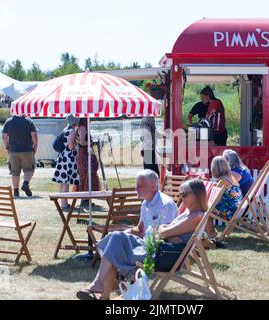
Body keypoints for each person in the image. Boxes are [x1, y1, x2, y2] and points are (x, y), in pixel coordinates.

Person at [77, 169, 188, 300]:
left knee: (114, 245)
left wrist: (125, 238)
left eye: (139, 186)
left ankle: (101, 289)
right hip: (144, 244)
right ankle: (101, 290)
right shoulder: (145, 203)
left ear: (153, 186)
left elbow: (165, 236)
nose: (136, 189)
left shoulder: (166, 205)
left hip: (157, 251)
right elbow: (140, 229)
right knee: (114, 240)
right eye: (136, 186)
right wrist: (124, 233)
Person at [206, 156, 243, 239]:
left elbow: (212, 195)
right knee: (208, 207)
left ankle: (211, 234)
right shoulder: (231, 177)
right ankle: (211, 233)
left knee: (205, 208)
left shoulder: (222, 180)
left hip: (230, 212)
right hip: (237, 210)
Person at [2, 114, 38, 197]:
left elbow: (4, 136)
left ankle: (16, 191)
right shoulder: (28, 121)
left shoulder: (8, 121)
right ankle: (25, 184)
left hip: (13, 151)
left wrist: (7, 147)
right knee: (29, 169)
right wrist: (35, 147)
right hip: (27, 150)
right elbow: (34, 135)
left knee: (15, 172)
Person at [52, 115, 80, 209]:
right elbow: (71, 146)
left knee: (63, 182)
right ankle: (64, 204)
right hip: (68, 159)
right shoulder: (71, 131)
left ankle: (62, 202)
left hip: (62, 157)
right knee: (66, 182)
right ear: (75, 122)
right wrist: (78, 142)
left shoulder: (65, 129)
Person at [76, 118, 100, 205]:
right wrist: (92, 143)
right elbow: (82, 142)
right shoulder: (83, 127)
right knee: (85, 175)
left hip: (85, 152)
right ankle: (84, 199)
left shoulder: (84, 126)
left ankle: (86, 199)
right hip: (83, 153)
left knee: (88, 175)